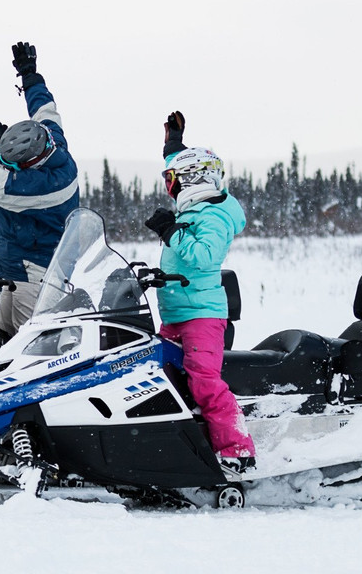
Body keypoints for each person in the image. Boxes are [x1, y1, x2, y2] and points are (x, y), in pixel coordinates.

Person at [144, 110, 255, 475]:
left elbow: (205, 256)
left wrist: (170, 232)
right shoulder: (198, 205)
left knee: (204, 380)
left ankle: (237, 449)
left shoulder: (215, 216)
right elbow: (184, 166)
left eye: (173, 180)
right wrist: (173, 144)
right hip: (177, 312)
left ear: (192, 181)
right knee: (152, 374)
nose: (170, 187)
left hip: (202, 316)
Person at [0, 42, 79, 336]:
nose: (11, 171)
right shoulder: (53, 141)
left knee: (27, 354)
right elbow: (45, 109)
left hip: (36, 276)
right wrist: (29, 74)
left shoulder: (43, 186)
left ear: (32, 162)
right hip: (17, 271)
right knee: (0, 339)